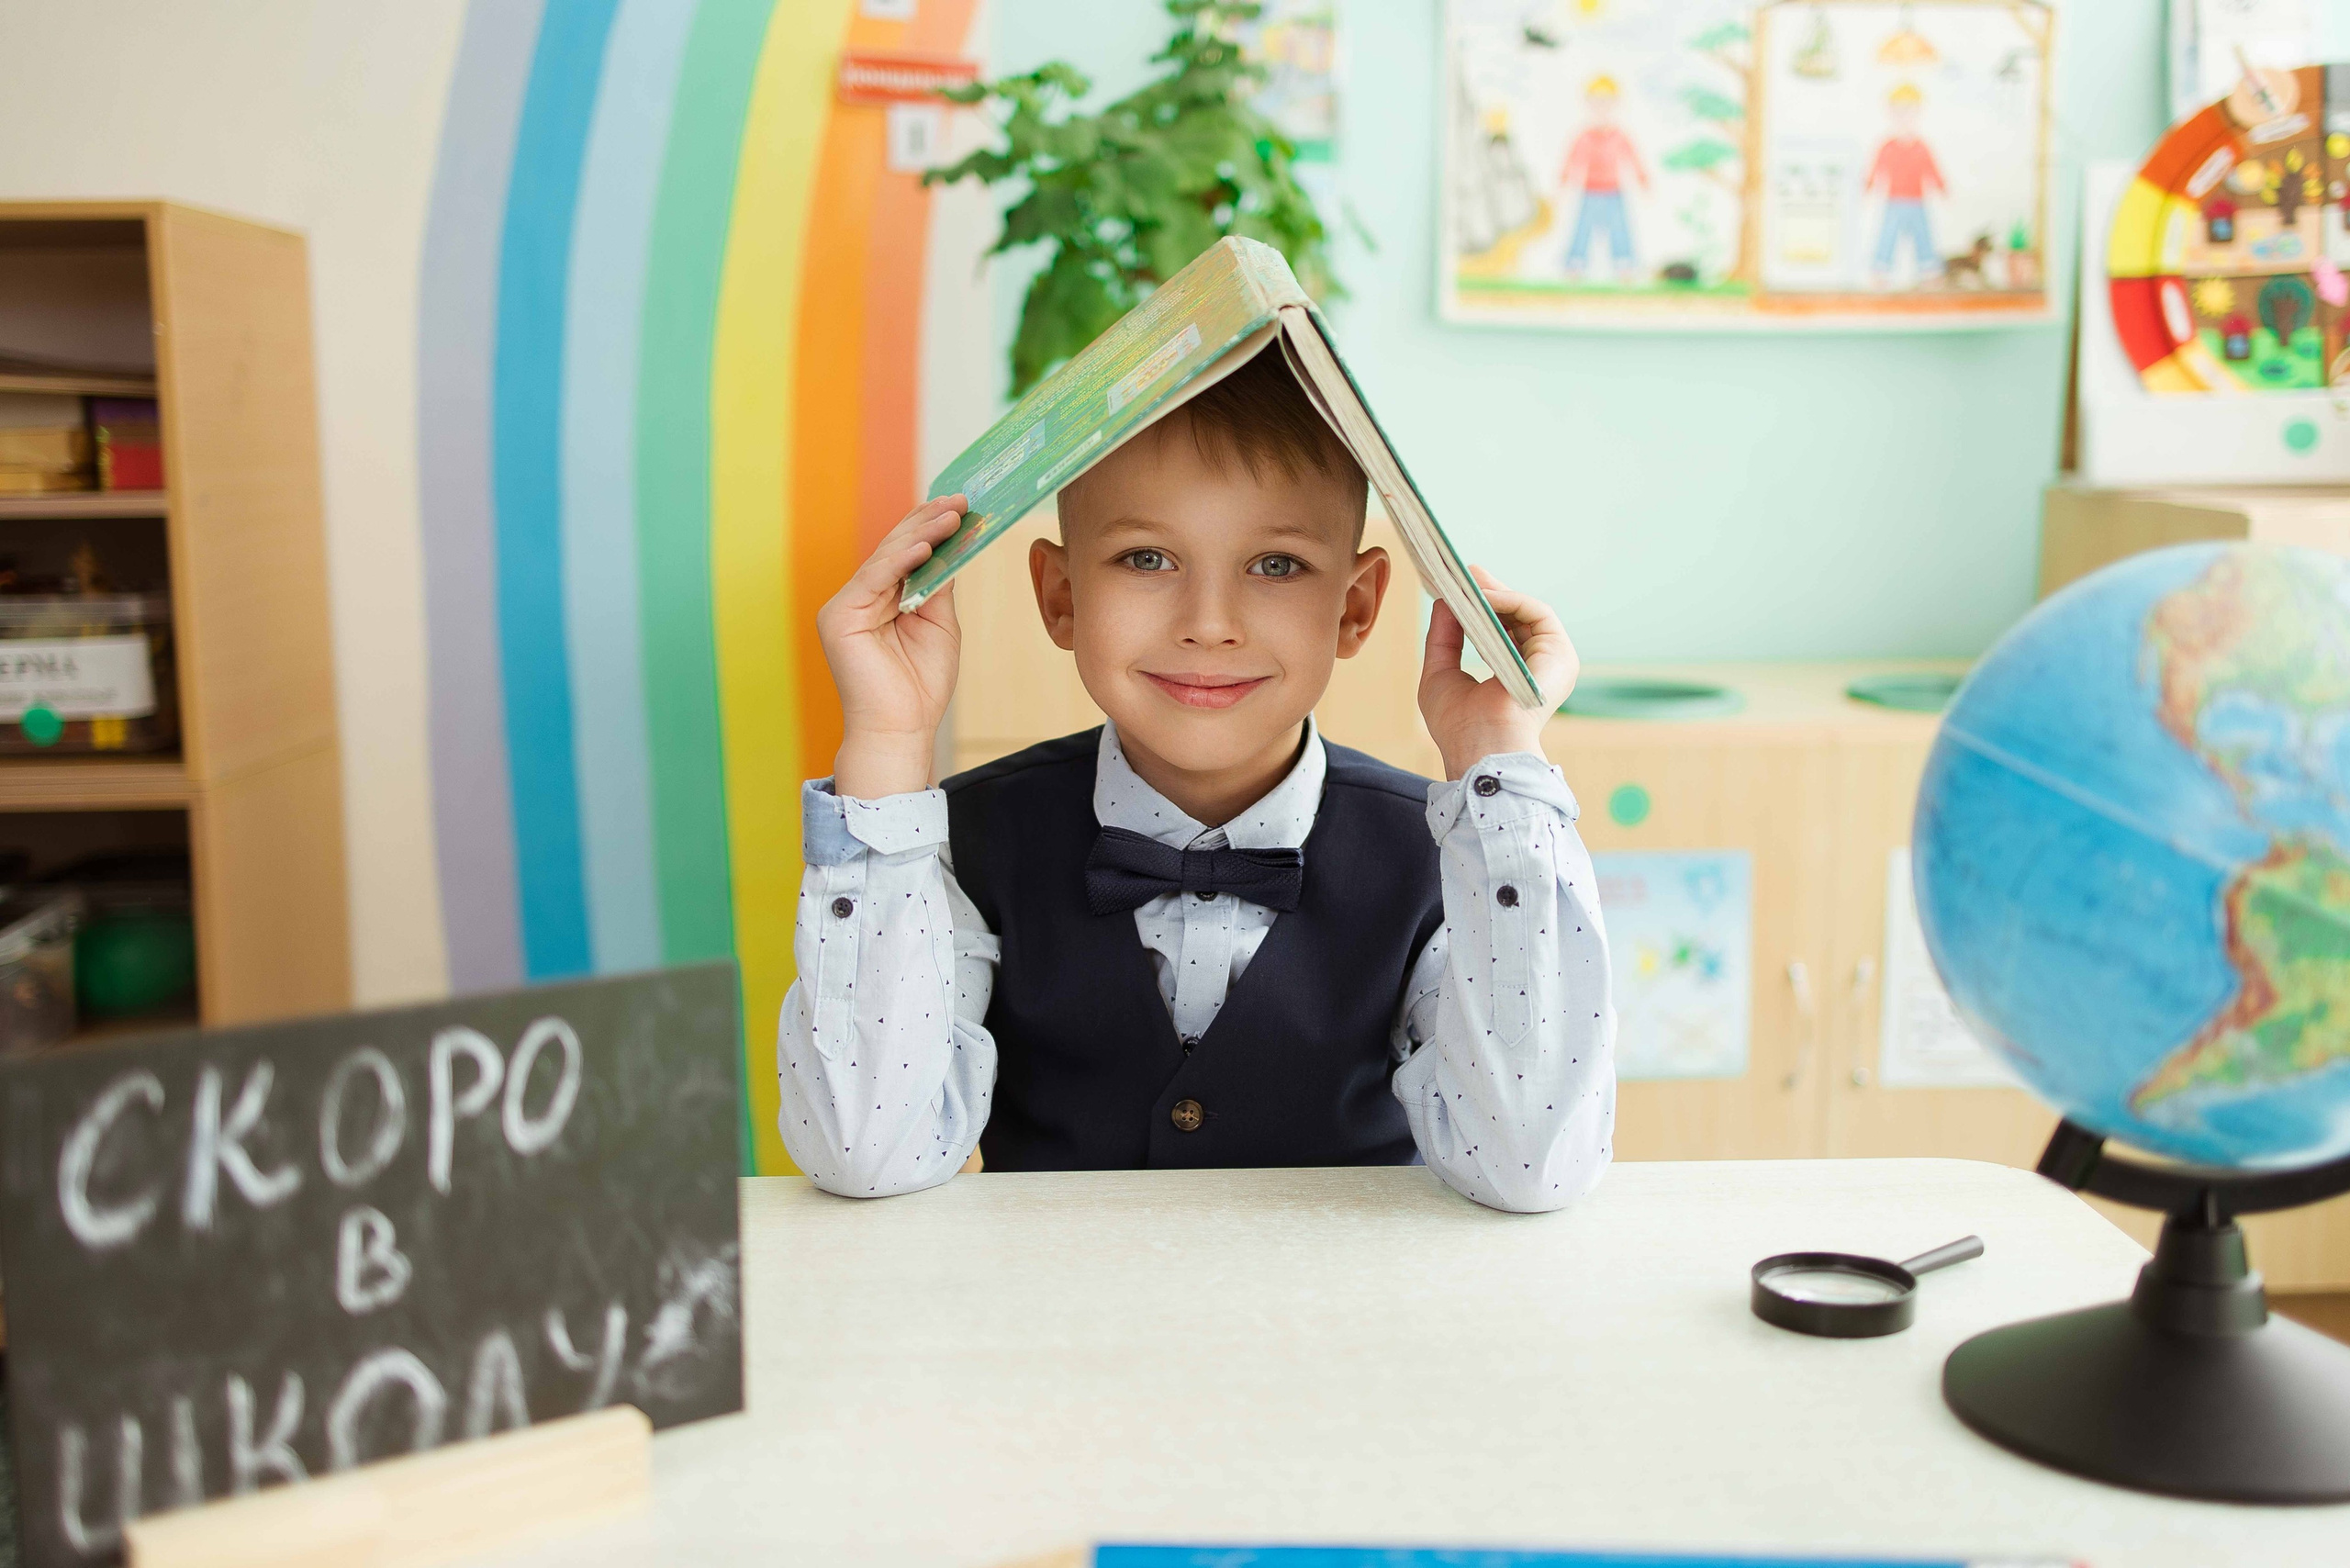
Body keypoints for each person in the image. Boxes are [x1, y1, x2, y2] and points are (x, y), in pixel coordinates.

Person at [778, 347, 1614, 1214]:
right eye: (1147, 559)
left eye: (1276, 565)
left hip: (1356, 1332)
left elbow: (1528, 1165)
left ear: (1357, 608)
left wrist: (1499, 762)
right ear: (1060, 597)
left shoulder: (1449, 856)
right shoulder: (952, 839)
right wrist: (887, 741)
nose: (1208, 626)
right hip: (1050, 1329)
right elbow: (864, 1152)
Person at [1557, 74, 1649, 282]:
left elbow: (1633, 158)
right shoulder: (1584, 136)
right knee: (1582, 228)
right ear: (1588, 104)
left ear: (1615, 104)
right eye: (1596, 102)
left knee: (1620, 229)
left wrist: (1643, 180)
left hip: (1614, 192)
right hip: (1590, 192)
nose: (1601, 107)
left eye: (1606, 102)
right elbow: (1572, 160)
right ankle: (1575, 264)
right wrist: (1563, 181)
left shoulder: (1619, 136)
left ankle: (1624, 264)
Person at [1865, 84, 1946, 286]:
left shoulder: (1921, 147)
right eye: (1899, 111)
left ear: (1918, 113)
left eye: (1909, 111)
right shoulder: (1888, 146)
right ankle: (1880, 270)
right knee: (1888, 234)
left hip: (1917, 201)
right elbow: (1876, 168)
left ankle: (1929, 270)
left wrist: (1942, 187)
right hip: (1894, 201)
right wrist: (1868, 185)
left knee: (1923, 234)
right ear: (1891, 113)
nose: (1904, 117)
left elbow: (1932, 170)